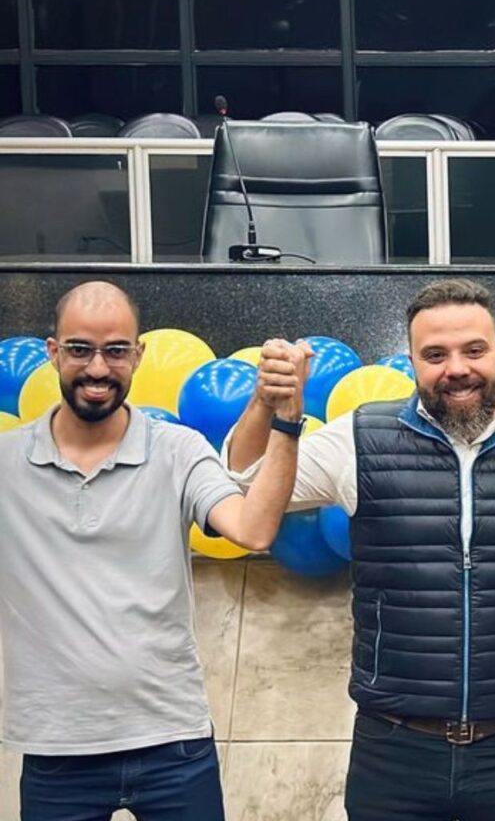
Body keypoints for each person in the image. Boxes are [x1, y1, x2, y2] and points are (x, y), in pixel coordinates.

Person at [223, 278, 495, 821]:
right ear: (413, 362)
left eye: (474, 350)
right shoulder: (359, 437)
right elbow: (246, 482)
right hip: (394, 753)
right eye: (435, 354)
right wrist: (266, 404)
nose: (457, 368)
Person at [0, 281, 302, 821]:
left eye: (116, 350)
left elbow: (253, 531)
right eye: (79, 349)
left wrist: (284, 420)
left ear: (138, 356)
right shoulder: (6, 464)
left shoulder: (177, 450)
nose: (97, 368)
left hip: (173, 746)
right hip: (56, 751)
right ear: (52, 352)